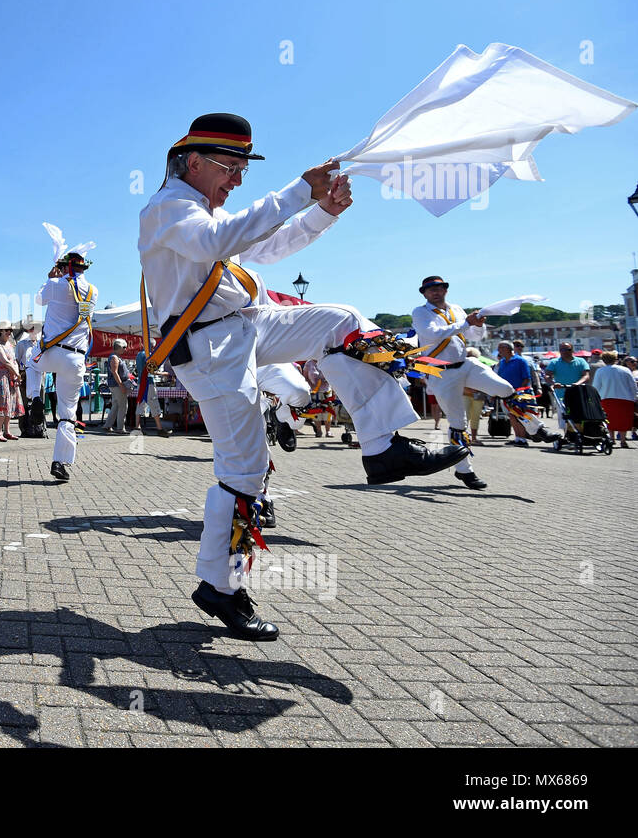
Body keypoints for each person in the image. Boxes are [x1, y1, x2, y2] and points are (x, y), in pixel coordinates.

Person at [139, 113, 465, 642]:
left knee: (345, 323)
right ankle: (220, 586)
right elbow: (218, 241)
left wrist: (323, 212)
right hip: (209, 346)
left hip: (246, 328)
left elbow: (266, 246)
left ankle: (382, 446)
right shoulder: (167, 208)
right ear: (192, 162)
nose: (238, 179)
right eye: (232, 167)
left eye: (244, 168)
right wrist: (297, 190)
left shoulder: (204, 210)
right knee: (245, 472)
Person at [411, 276, 560, 488]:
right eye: (431, 289)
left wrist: (478, 325)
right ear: (424, 293)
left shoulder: (457, 309)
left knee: (505, 388)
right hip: (441, 372)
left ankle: (536, 428)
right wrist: (465, 323)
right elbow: (431, 333)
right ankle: (464, 470)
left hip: (465, 363)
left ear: (445, 290)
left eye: (440, 288)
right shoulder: (420, 312)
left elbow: (475, 336)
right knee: (457, 422)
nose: (436, 292)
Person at [35, 250, 99, 481]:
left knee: (31, 361)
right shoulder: (94, 291)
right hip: (75, 359)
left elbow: (39, 300)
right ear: (83, 269)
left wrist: (50, 278)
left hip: (51, 352)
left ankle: (34, 397)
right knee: (67, 414)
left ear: (64, 268)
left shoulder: (54, 284)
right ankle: (60, 462)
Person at [592, 351, 635, 448]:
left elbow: (596, 386)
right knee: (623, 420)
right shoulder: (625, 370)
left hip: (607, 398)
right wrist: (634, 397)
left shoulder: (601, 371)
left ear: (603, 360)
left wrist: (595, 398)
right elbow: (632, 385)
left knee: (609, 419)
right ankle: (623, 440)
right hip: (625, 398)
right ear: (615, 359)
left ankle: (612, 439)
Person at [545, 341, 590, 429]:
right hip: (561, 394)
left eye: (568, 349)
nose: (565, 351)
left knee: (579, 416)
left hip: (578, 394)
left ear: (572, 350)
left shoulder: (581, 361)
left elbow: (586, 375)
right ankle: (566, 434)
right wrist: (554, 383)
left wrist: (577, 383)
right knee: (564, 417)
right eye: (562, 350)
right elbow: (547, 375)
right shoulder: (554, 362)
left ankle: (579, 433)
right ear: (559, 351)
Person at [134, 342, 172, 437]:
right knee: (154, 404)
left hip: (140, 382)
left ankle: (137, 427)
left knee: (140, 404)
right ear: (152, 346)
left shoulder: (139, 354)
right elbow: (152, 370)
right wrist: (165, 374)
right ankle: (160, 429)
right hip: (148, 382)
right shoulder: (148, 355)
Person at [0, 323, 20, 441]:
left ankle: (7, 431)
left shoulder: (9, 344)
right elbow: (5, 362)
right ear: (1, 331)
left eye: (11, 330)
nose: (9, 332)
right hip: (1, 375)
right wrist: (17, 374)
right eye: (7, 330)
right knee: (2, 402)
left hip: (10, 375)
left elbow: (14, 361)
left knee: (10, 403)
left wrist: (16, 376)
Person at [104, 340, 133, 433]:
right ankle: (120, 428)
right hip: (117, 385)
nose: (125, 349)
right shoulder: (115, 358)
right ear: (119, 347)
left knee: (116, 405)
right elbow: (115, 372)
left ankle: (108, 425)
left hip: (114, 385)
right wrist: (121, 385)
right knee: (123, 406)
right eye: (124, 347)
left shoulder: (115, 357)